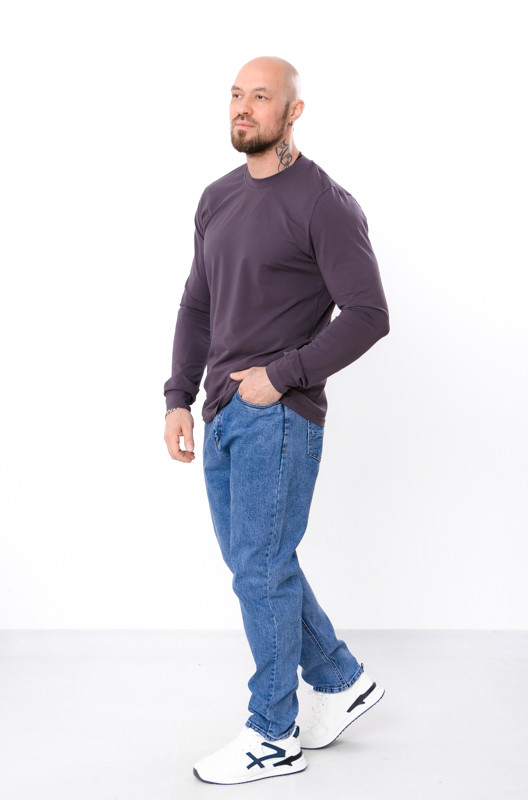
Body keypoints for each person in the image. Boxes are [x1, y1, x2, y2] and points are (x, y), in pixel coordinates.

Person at [163, 55, 389, 785]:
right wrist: (178, 396)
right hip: (221, 411)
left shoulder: (323, 202)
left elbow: (368, 314)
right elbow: (197, 305)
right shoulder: (217, 198)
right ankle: (341, 680)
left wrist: (281, 375)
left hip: (279, 413)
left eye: (261, 97)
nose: (244, 107)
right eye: (236, 95)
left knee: (260, 569)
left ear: (293, 112)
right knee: (260, 567)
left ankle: (273, 733)